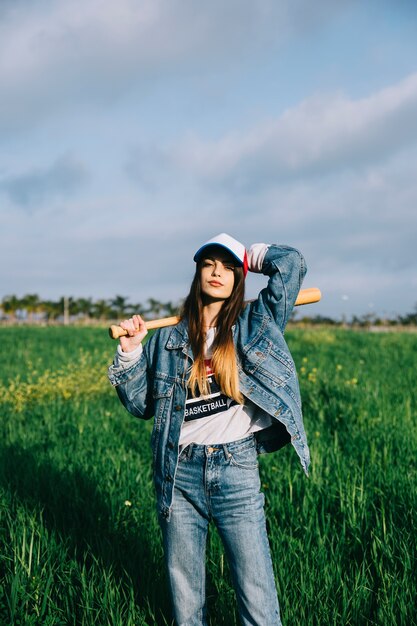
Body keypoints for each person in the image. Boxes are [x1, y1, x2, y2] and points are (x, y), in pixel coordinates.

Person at [108, 233, 310, 626]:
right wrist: (130, 351)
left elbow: (292, 265)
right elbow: (140, 405)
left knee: (256, 593)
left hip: (236, 467)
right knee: (186, 600)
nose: (217, 271)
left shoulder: (257, 322)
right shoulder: (168, 337)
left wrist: (249, 256)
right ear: (197, 271)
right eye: (209, 264)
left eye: (227, 266)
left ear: (239, 277)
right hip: (178, 471)